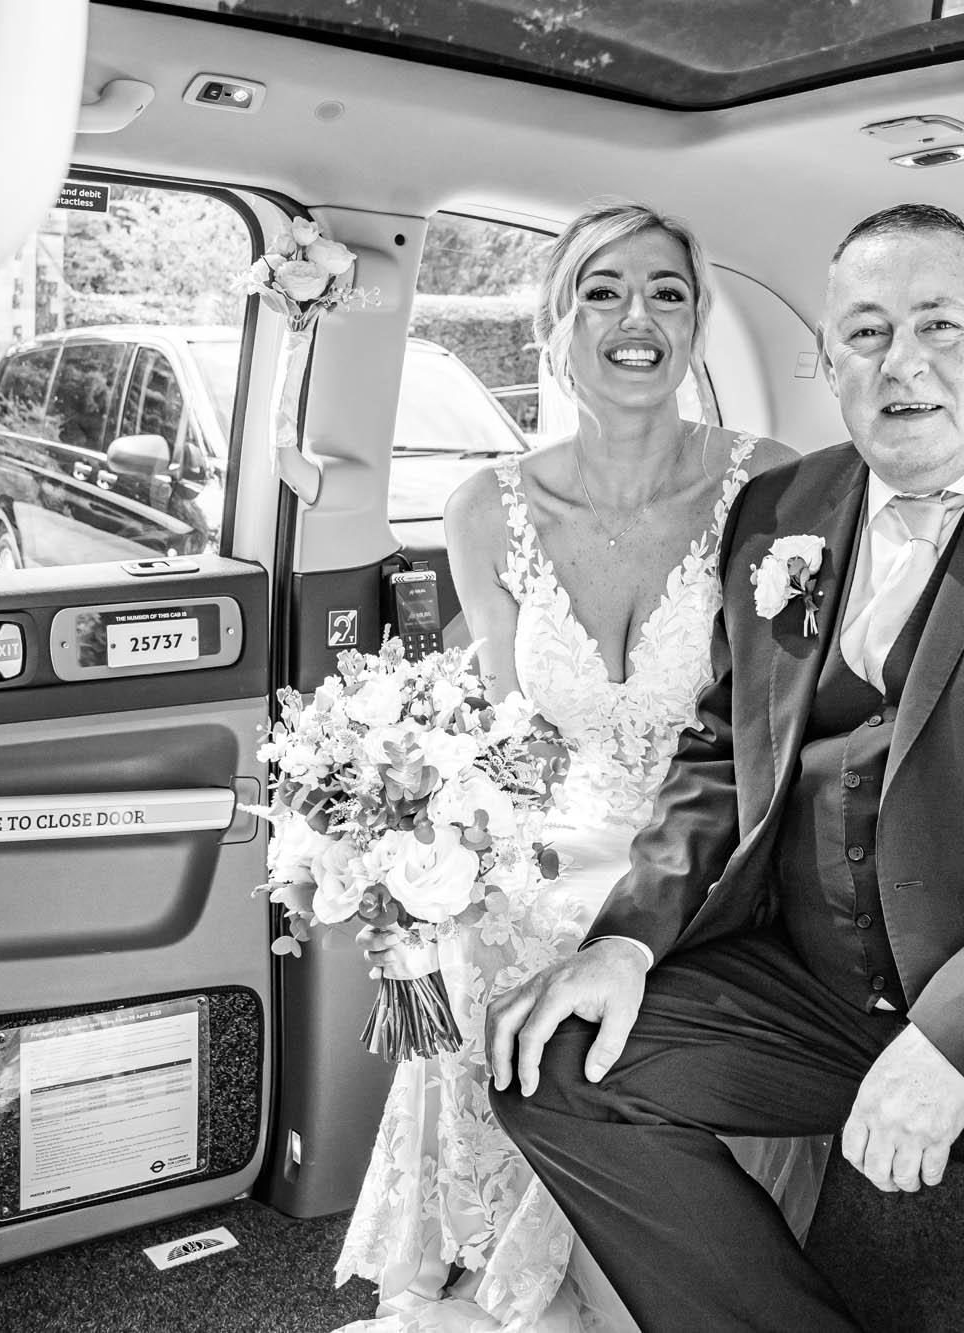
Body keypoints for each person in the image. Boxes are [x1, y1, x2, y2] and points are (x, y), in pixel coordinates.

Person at [484, 203, 964, 1333]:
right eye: (863, 334)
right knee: (556, 1061)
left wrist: (954, 1031)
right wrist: (625, 936)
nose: (902, 365)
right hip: (824, 972)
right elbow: (716, 752)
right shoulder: (780, 507)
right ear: (825, 358)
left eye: (939, 325)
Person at [331, 200, 800, 1333]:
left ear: (693, 326)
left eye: (667, 292)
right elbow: (507, 737)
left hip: (715, 841)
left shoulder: (775, 485)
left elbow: (785, 718)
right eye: (602, 290)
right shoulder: (484, 508)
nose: (636, 317)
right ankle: (502, 1269)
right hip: (559, 827)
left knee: (577, 931)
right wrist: (418, 838)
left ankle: (627, 1274)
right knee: (487, 920)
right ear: (554, 323)